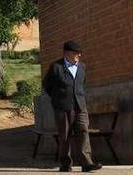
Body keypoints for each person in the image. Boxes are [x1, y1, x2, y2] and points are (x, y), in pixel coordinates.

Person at [43, 41, 103, 172]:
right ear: (67, 53)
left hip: (80, 106)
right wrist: (58, 99)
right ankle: (65, 164)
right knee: (65, 135)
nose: (79, 55)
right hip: (63, 107)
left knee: (83, 130)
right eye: (76, 53)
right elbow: (47, 86)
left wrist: (80, 98)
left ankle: (87, 163)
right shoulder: (56, 67)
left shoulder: (82, 67)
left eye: (79, 53)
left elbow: (82, 84)